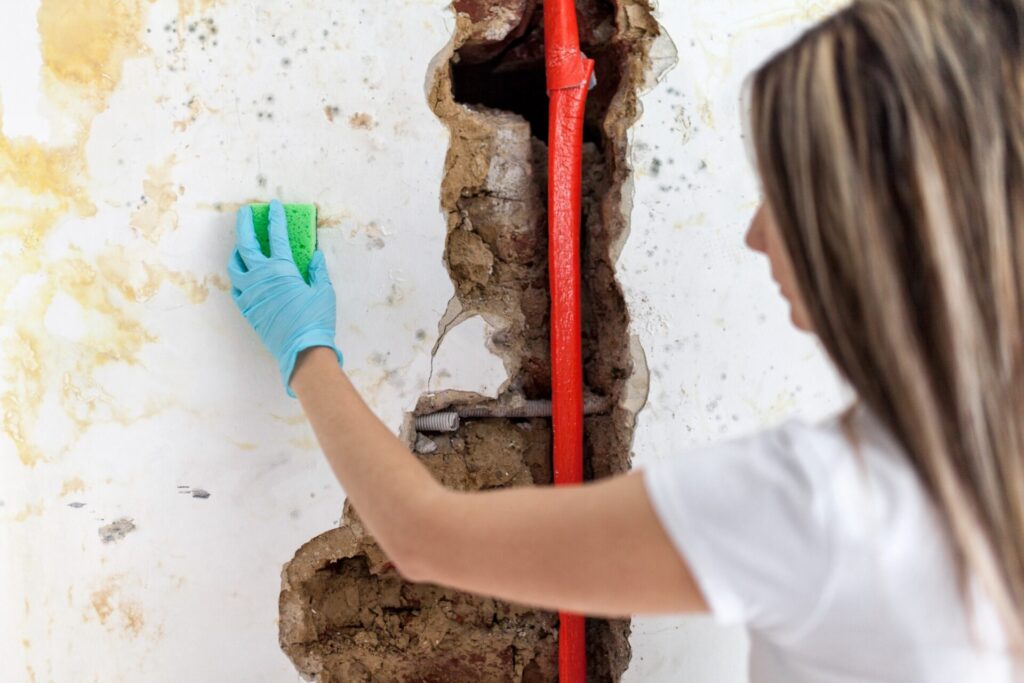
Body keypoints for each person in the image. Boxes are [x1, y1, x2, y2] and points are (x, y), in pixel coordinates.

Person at [226, 0, 1023, 680]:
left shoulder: (822, 500)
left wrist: (306, 348)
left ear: (873, 229)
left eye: (783, 198)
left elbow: (425, 536)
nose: (753, 236)